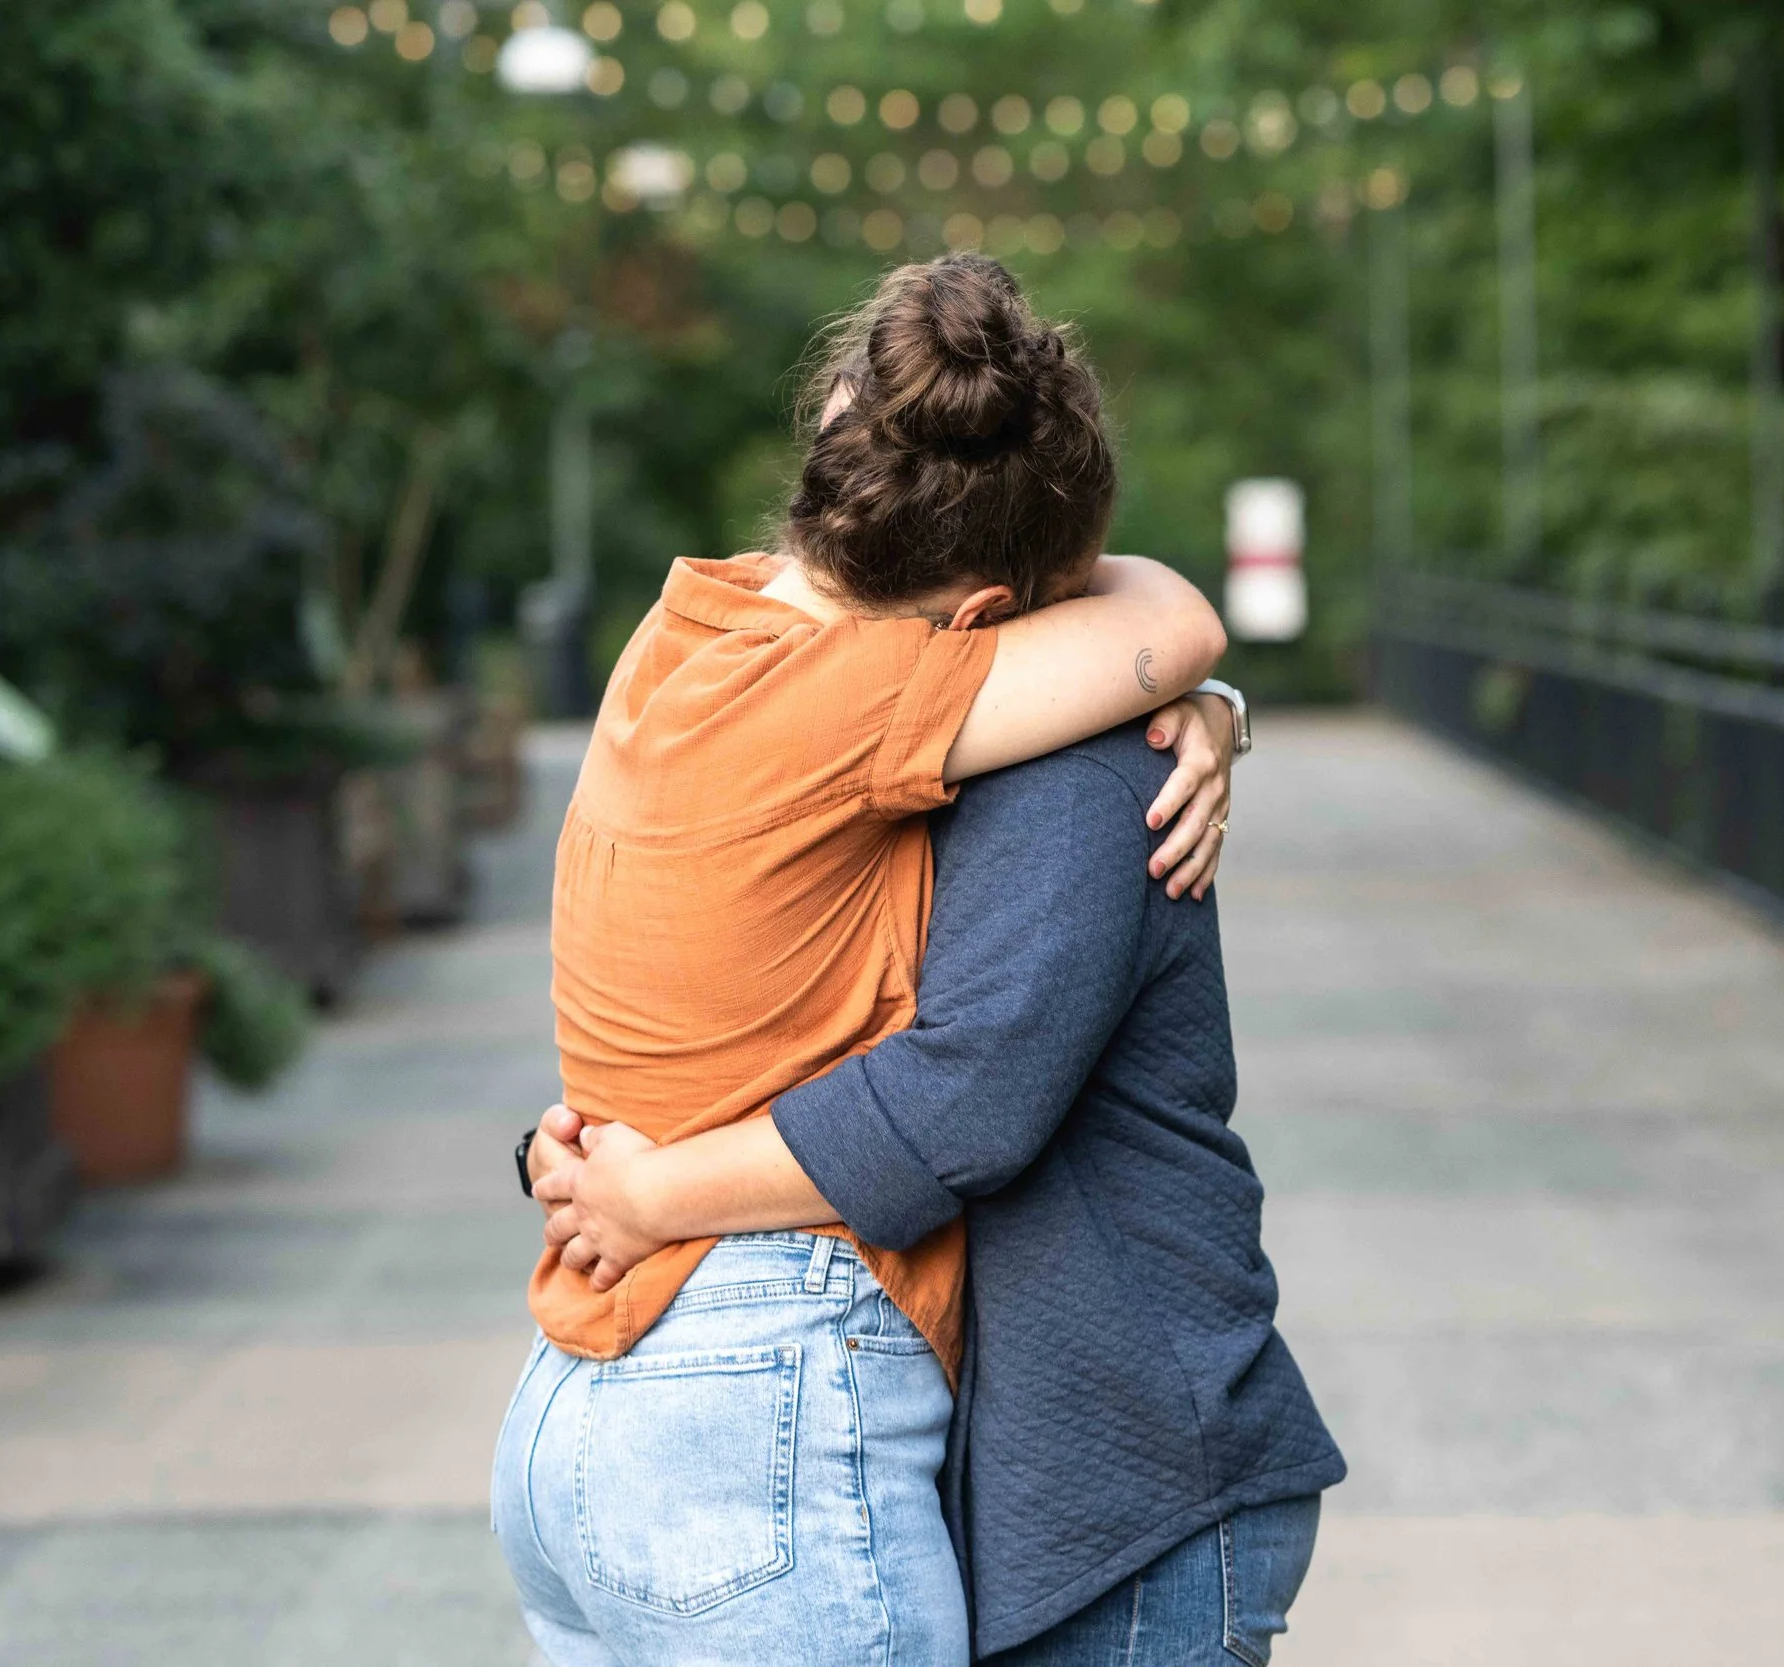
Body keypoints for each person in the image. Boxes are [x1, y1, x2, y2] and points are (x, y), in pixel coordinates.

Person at [489, 252, 1242, 1666]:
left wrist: (1209, 707)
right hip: (763, 1392)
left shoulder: (681, 633)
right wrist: (1202, 696)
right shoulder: (871, 696)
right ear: (985, 618)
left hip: (576, 1413)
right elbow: (1171, 624)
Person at [531, 706, 1345, 1664]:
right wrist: (587, 1152)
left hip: (1126, 1481)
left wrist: (648, 1196)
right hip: (1018, 1484)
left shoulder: (1076, 782)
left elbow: (962, 1104)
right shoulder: (866, 755)